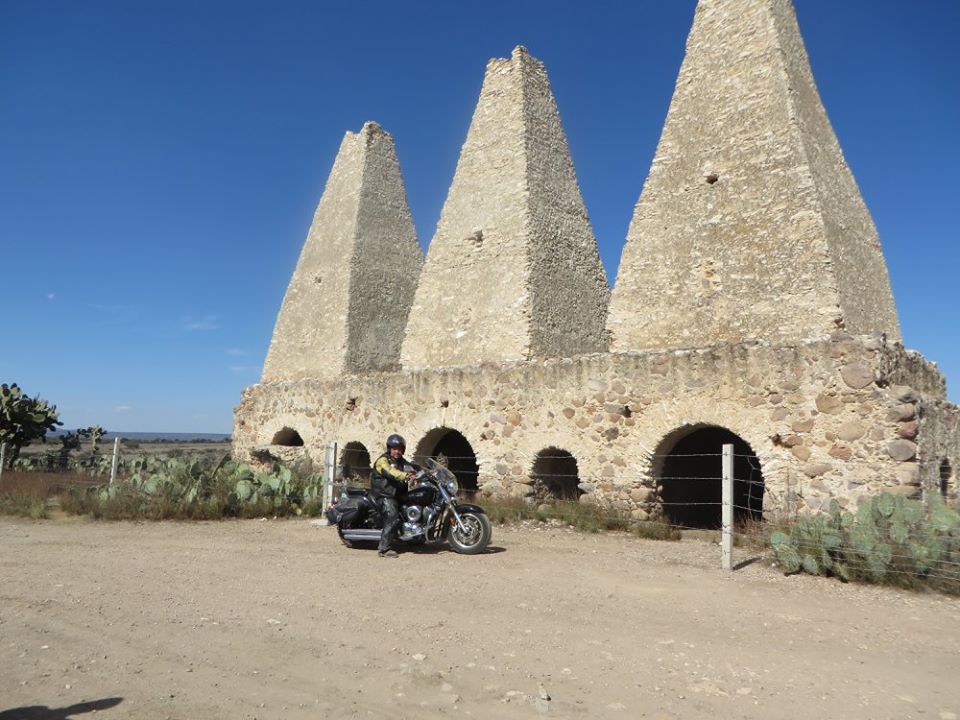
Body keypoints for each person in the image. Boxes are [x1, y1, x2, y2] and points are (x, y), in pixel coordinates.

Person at [370, 433, 416, 558]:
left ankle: (414, 537)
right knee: (392, 516)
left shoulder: (401, 461)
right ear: (389, 448)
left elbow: (412, 467)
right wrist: (405, 475)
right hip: (383, 494)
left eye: (400, 449)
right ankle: (384, 549)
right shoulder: (382, 461)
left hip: (396, 494)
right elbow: (390, 472)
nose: (397, 451)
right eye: (394, 448)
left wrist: (425, 471)